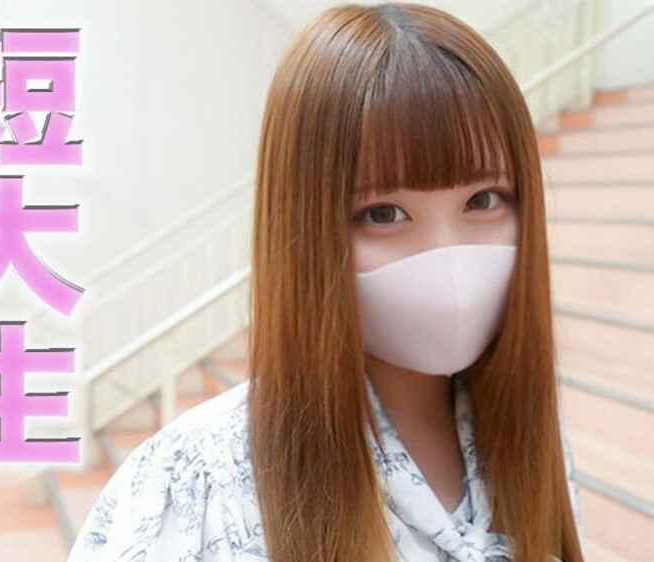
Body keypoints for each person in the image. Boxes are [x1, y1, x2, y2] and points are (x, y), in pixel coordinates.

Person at [68, 2, 585, 561]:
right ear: (305, 226)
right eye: (384, 214)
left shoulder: (527, 441)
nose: (447, 259)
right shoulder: (193, 482)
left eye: (482, 201)